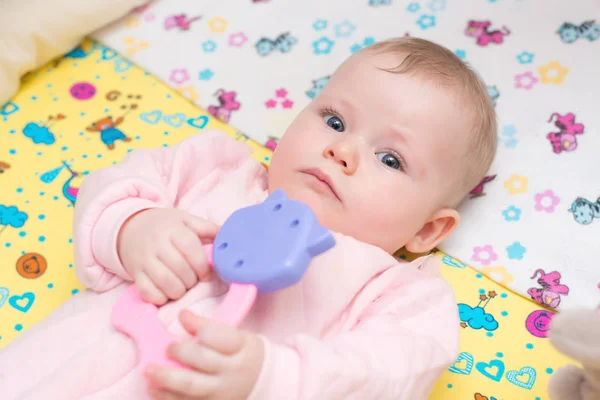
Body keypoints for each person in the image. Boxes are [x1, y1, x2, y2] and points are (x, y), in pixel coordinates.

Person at [0, 36, 497, 400]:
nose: (341, 149)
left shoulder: (400, 294)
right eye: (334, 120)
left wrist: (271, 377)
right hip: (51, 370)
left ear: (428, 230)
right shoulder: (217, 169)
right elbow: (109, 184)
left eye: (390, 159)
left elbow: (392, 372)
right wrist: (133, 227)